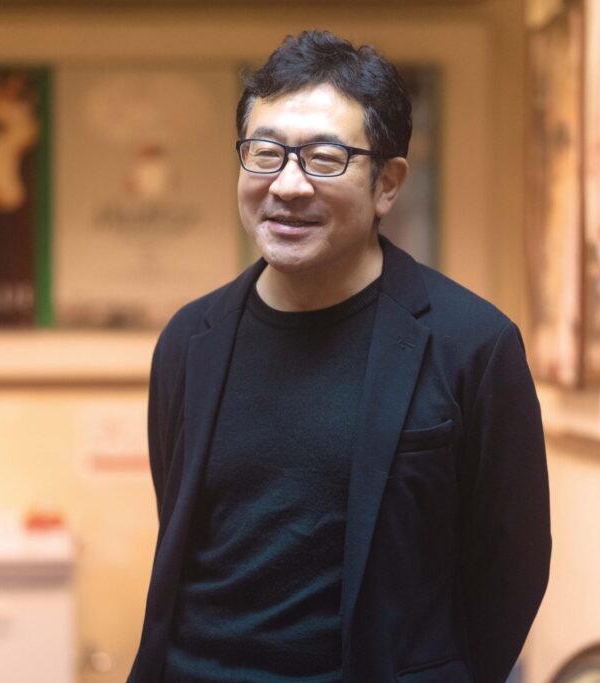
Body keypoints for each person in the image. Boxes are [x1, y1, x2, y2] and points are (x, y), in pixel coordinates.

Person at [128, 30, 550, 683]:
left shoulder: (472, 345)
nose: (288, 185)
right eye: (265, 153)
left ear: (388, 184)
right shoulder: (190, 340)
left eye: (325, 159)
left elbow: (510, 566)